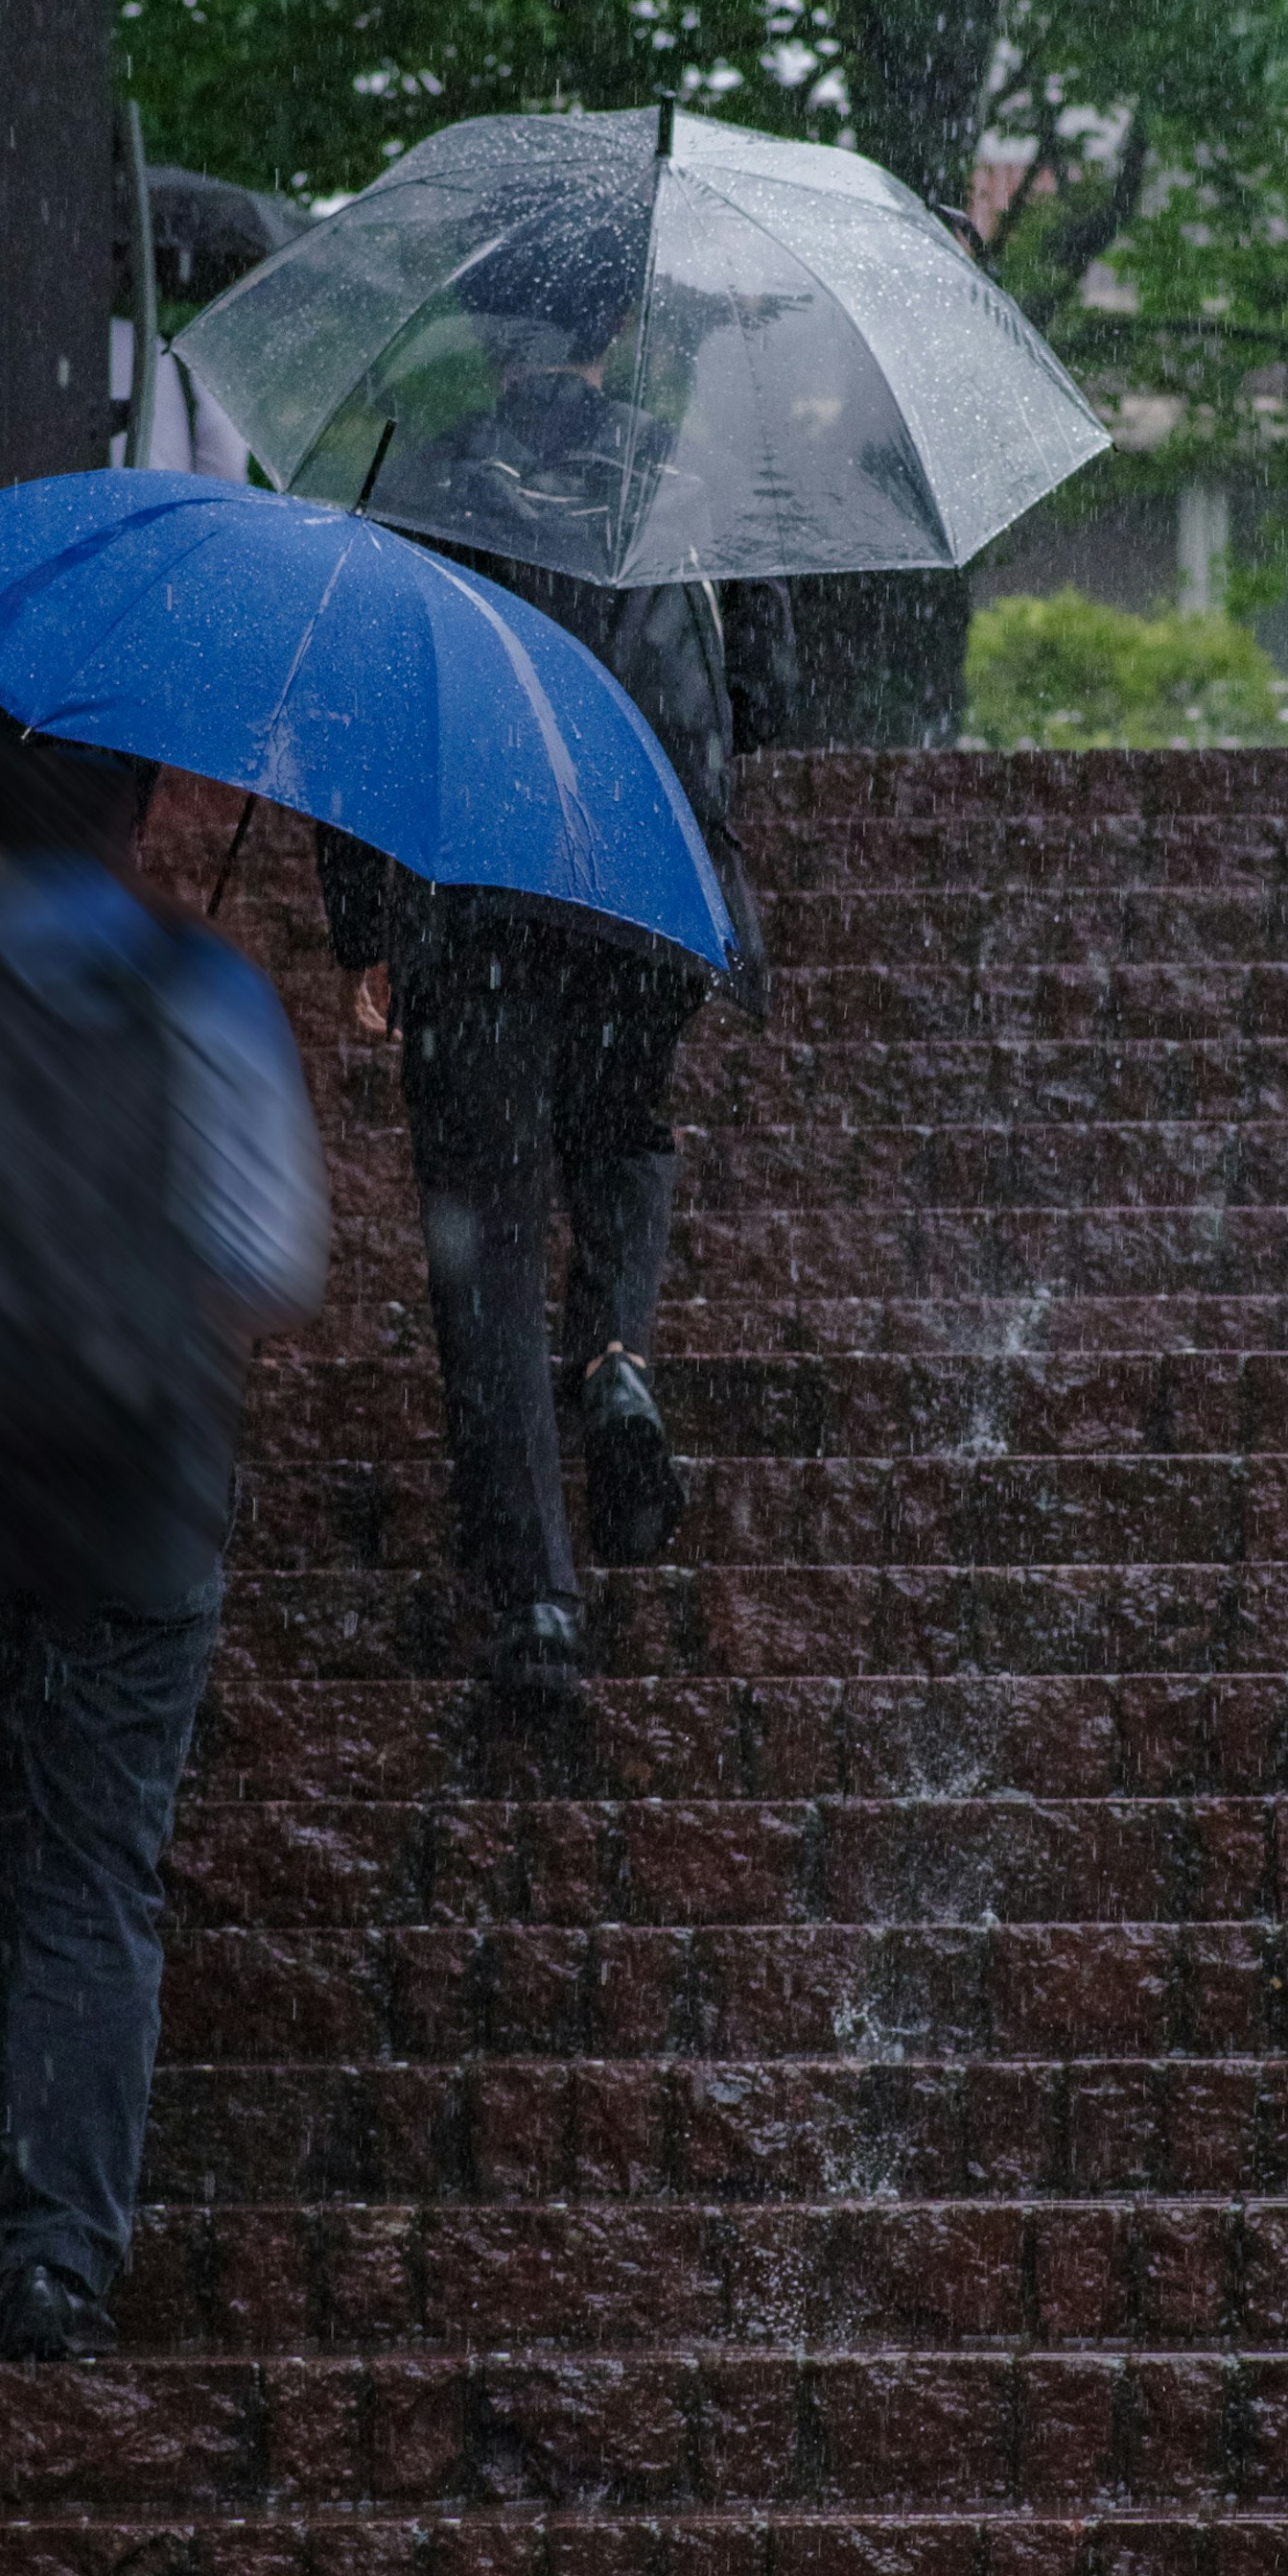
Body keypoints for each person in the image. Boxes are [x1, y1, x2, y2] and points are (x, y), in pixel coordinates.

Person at [0, 692, 329, 2356]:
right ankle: (56, 2257)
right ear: (146, 799)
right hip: (133, 1492)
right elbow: (273, 1261)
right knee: (98, 1858)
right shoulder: (209, 994)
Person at [319, 264, 795, 1701]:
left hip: (475, 909)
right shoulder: (690, 487)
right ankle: (616, 1355)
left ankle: (536, 1604)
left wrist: (366, 931)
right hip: (644, 897)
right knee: (628, 1129)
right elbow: (767, 692)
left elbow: (363, 722)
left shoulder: (423, 489)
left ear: (479, 334)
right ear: (619, 335)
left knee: (486, 1250)